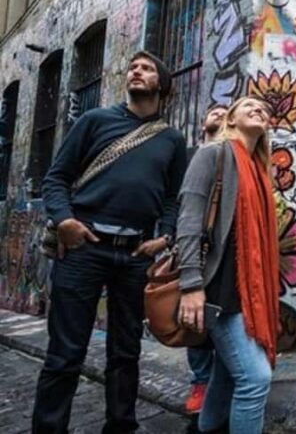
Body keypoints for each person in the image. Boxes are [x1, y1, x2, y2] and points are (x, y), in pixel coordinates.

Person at [33, 51, 187, 433]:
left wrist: (163, 236)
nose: (136, 71)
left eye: (147, 68)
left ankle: (121, 426)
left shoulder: (171, 139)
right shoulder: (94, 121)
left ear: (162, 85)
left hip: (136, 254)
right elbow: (56, 178)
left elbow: (172, 197)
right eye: (133, 67)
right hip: (84, 247)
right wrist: (65, 220)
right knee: (65, 353)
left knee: (126, 351)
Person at [177, 97, 280, 433]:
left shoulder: (258, 170)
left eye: (264, 109)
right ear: (231, 119)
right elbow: (189, 221)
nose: (259, 109)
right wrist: (191, 285)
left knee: (226, 373)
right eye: (249, 105)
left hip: (244, 291)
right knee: (255, 378)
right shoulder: (212, 154)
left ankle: (203, 428)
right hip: (217, 289)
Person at [184, 103, 228, 415]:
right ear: (203, 123)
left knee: (221, 315)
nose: (219, 114)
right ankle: (201, 381)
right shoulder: (190, 155)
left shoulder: (230, 157)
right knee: (196, 321)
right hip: (192, 246)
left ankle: (220, 384)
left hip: (221, 249)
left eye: (226, 112)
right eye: (213, 112)